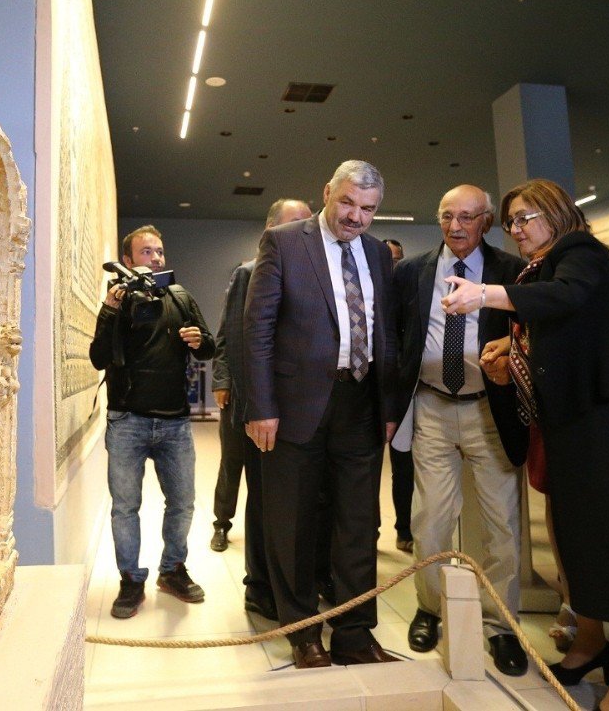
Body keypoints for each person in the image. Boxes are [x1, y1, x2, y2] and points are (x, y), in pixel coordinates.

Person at [444, 179, 609, 711]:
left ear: (558, 214)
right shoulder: (544, 266)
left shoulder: (581, 251)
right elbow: (564, 326)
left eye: (525, 218)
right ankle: (589, 641)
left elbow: (570, 297)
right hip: (573, 423)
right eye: (512, 221)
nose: (517, 230)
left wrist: (486, 296)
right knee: (575, 539)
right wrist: (511, 345)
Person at [244, 160, 398, 669]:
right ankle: (303, 631)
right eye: (348, 203)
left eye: (368, 209)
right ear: (327, 191)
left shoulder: (377, 253)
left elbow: (384, 334)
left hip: (359, 404)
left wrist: (390, 406)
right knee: (293, 521)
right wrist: (261, 406)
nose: (356, 217)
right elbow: (257, 330)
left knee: (359, 523)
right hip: (293, 408)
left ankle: (355, 633)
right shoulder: (286, 242)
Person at [391, 185, 529, 676]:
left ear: (486, 222)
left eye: (467, 217)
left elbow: (532, 336)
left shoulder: (512, 272)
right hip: (430, 405)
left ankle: (499, 625)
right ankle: (431, 608)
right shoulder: (411, 271)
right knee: (429, 518)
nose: (456, 226)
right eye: (447, 215)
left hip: (490, 411)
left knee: (501, 525)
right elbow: (396, 338)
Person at [89, 225, 215, 619]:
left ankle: (172, 570)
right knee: (125, 507)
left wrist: (199, 340)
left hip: (175, 422)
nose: (156, 258)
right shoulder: (118, 302)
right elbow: (97, 357)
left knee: (182, 502)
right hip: (127, 420)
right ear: (128, 261)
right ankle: (130, 579)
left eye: (159, 252)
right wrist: (110, 310)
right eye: (146, 253)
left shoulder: (181, 297)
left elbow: (209, 347)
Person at [209, 198, 312, 621]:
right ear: (270, 231)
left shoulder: (312, 276)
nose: (301, 232)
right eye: (292, 224)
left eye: (306, 225)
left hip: (302, 412)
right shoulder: (249, 273)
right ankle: (258, 585)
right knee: (264, 499)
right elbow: (235, 338)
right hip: (262, 410)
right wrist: (236, 394)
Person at [383, 239, 415, 552]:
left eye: (398, 258)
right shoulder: (371, 296)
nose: (393, 265)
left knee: (408, 464)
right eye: (387, 259)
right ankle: (399, 528)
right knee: (399, 466)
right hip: (380, 393)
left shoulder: (412, 294)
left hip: (411, 390)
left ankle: (406, 528)